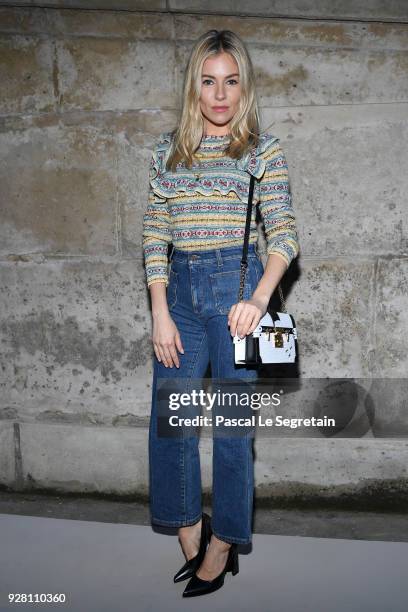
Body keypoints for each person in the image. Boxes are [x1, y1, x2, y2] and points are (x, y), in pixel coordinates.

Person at [142, 29, 299, 597]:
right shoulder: (167, 151)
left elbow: (283, 233)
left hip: (236, 299)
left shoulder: (262, 150)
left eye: (231, 81)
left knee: (234, 432)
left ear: (243, 86)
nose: (220, 94)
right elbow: (155, 234)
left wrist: (258, 299)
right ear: (195, 87)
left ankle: (225, 542)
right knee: (172, 425)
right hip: (179, 294)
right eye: (209, 82)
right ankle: (189, 528)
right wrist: (159, 309)